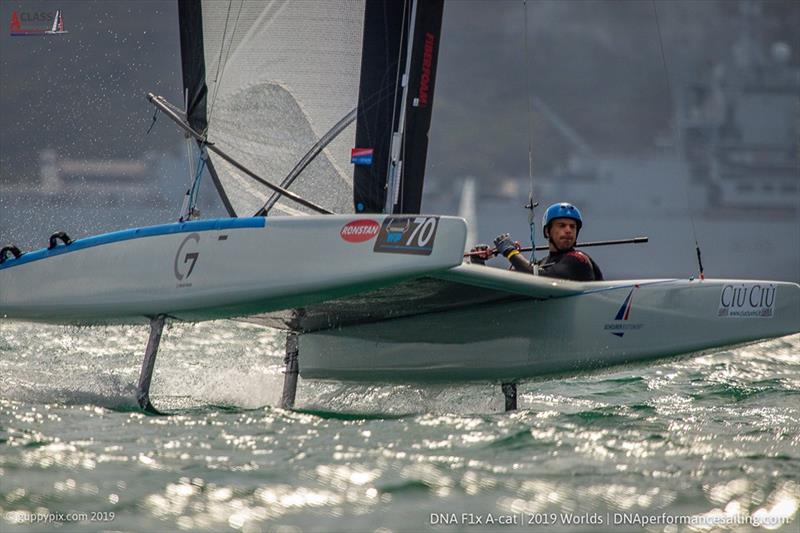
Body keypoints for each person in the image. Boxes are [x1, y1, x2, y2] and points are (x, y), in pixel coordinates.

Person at [491, 202, 603, 281]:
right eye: (562, 226)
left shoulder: (578, 260)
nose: (569, 230)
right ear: (547, 231)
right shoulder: (543, 263)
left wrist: (510, 252)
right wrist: (478, 261)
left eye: (573, 227)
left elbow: (535, 277)